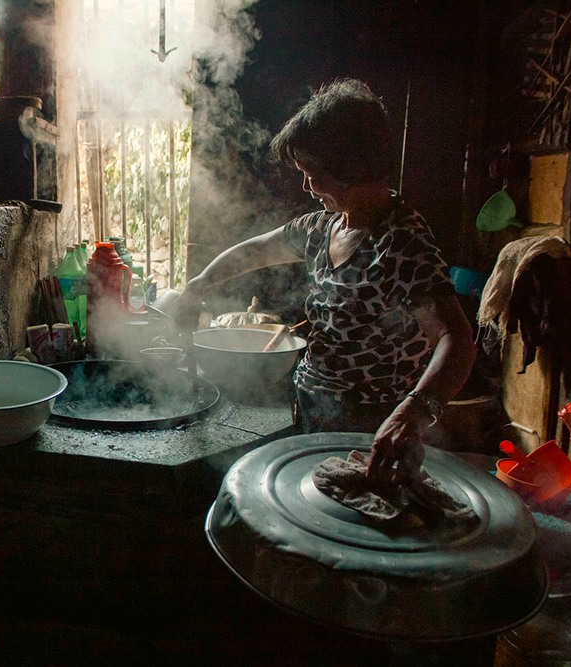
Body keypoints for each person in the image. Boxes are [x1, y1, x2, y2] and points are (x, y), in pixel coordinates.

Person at [177, 79, 476, 485]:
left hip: (372, 425)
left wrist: (412, 413)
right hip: (312, 407)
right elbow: (258, 251)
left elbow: (456, 339)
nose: (307, 186)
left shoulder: (401, 243)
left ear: (350, 167)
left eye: (312, 173)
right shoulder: (322, 228)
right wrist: (198, 284)